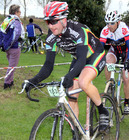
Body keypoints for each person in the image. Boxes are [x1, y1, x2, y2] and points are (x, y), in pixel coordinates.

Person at [23, 1, 109, 131]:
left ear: (63, 19)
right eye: (47, 22)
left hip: (94, 55)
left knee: (83, 82)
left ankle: (102, 111)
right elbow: (48, 66)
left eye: (53, 21)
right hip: (78, 58)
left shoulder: (78, 30)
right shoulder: (51, 38)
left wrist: (69, 76)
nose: (50, 26)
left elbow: (81, 59)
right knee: (71, 94)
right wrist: (32, 81)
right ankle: (76, 130)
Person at [100, 10, 129, 115]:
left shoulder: (124, 29)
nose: (109, 26)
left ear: (118, 22)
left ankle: (127, 103)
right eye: (107, 23)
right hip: (114, 51)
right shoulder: (105, 30)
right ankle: (110, 85)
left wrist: (128, 60)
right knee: (107, 61)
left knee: (125, 77)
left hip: (127, 52)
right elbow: (100, 48)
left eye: (112, 23)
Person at [0, 4, 24, 89]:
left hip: (7, 48)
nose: (20, 13)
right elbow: (16, 35)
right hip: (14, 47)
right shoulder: (16, 21)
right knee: (12, 67)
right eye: (19, 11)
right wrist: (9, 44)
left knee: (11, 65)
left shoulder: (6, 20)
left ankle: (10, 81)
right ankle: (7, 84)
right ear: (16, 12)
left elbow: (1, 33)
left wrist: (3, 45)